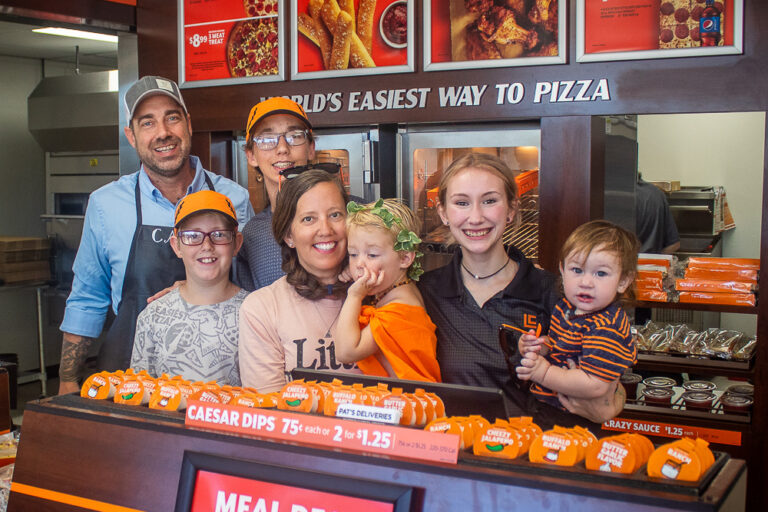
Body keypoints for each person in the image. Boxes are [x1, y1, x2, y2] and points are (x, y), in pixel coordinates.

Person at [58, 76, 254, 395]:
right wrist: (67, 380)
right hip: (126, 378)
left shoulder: (236, 198)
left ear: (188, 124)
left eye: (172, 118)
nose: (163, 132)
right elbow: (87, 298)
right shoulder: (106, 204)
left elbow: (249, 287)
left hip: (219, 382)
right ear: (131, 136)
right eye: (147, 122)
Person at [418, 153, 625, 429]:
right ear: (443, 213)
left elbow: (611, 384)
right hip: (455, 455)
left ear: (512, 209)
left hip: (537, 458)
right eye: (462, 203)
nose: (476, 217)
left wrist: (608, 406)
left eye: (490, 201)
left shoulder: (555, 293)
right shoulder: (425, 293)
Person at [239, 169, 358, 393]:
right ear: (289, 236)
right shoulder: (262, 308)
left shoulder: (380, 295)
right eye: (308, 219)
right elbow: (268, 409)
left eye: (335, 215)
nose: (325, 229)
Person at [516, 220, 638, 424]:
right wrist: (540, 345)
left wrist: (543, 372)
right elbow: (560, 345)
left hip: (575, 420)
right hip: (547, 410)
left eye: (601, 273)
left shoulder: (605, 327)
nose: (586, 282)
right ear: (562, 271)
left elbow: (595, 385)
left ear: (623, 281)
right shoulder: (565, 308)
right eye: (577, 270)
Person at [130, 190, 247, 385]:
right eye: (192, 236)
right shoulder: (153, 316)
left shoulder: (257, 313)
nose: (207, 245)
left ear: (237, 243)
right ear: (176, 246)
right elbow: (138, 393)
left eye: (219, 235)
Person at [336, 198, 441, 382]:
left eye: (372, 255)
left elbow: (346, 352)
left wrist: (354, 296)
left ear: (405, 258)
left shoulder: (399, 310)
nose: (359, 264)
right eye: (353, 254)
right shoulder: (400, 289)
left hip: (409, 404)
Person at [236, 97, 317, 291]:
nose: (282, 148)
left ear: (311, 148)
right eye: (267, 140)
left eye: (295, 136)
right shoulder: (252, 235)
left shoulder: (355, 215)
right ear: (251, 156)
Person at [636, 176, 680, 254]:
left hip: (623, 263)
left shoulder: (613, 196)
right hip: (653, 263)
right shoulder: (656, 193)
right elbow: (674, 244)